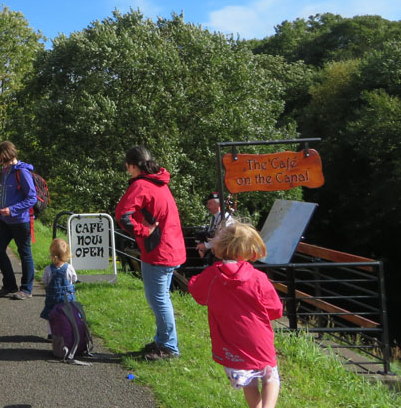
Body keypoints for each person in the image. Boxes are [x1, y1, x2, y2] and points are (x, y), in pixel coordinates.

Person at [189, 223, 283, 408]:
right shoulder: (258, 278)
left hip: (229, 340)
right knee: (270, 376)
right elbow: (276, 310)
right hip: (258, 339)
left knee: (249, 381)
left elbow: (197, 292)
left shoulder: (212, 276)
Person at [115, 145, 186, 361]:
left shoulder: (142, 185)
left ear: (133, 166)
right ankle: (162, 342)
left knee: (158, 299)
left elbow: (122, 215)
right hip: (172, 247)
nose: (127, 171)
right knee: (161, 297)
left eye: (127, 167)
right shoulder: (159, 181)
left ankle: (168, 347)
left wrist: (143, 231)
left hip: (159, 251)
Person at [0, 141, 38, 300]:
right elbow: (4, 196)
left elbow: (32, 198)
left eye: (0, 158)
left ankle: (26, 289)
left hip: (20, 221)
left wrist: (12, 210)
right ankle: (10, 285)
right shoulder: (5, 171)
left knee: (25, 253)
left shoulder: (22, 172)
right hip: (5, 221)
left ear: (6, 156)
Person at [39, 238, 78, 336]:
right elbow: (74, 279)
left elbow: (44, 281)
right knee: (67, 314)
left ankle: (51, 333)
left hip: (53, 298)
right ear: (67, 254)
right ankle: (66, 331)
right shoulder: (69, 268)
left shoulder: (48, 269)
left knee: (51, 315)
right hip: (67, 298)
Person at [197, 192, 234, 262]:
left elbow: (221, 237)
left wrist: (206, 246)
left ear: (218, 204)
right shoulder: (214, 218)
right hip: (216, 251)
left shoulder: (225, 218)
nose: (208, 206)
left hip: (225, 253)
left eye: (210, 203)